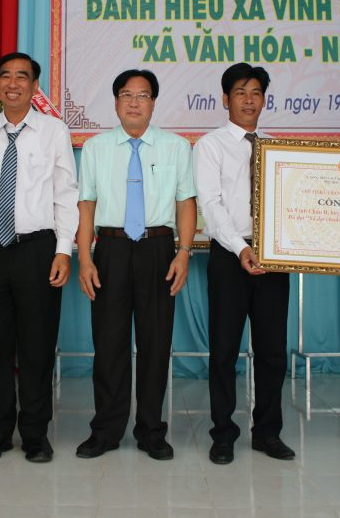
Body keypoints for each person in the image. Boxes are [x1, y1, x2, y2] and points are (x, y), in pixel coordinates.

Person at [0, 52, 78, 463]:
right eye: (5, 76)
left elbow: (65, 194)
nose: (13, 83)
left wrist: (63, 250)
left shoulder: (53, 131)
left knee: (37, 346)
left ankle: (35, 434)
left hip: (37, 249)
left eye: (22, 77)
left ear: (35, 86)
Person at [75, 69, 197, 461]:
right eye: (126, 95)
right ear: (115, 102)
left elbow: (186, 202)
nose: (134, 102)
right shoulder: (95, 148)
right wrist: (85, 258)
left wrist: (183, 252)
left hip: (157, 249)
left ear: (153, 103)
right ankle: (106, 431)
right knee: (109, 344)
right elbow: (86, 205)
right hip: (110, 249)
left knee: (155, 344)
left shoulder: (176, 147)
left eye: (142, 95)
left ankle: (151, 431)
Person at [193, 63, 294, 464]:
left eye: (256, 93)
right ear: (225, 99)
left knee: (272, 351)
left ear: (264, 99)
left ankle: (267, 432)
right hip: (229, 255)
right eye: (240, 92)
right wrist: (240, 248)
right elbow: (211, 204)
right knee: (224, 350)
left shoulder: (278, 149)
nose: (249, 100)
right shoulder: (210, 146)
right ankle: (223, 434)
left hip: (272, 256)